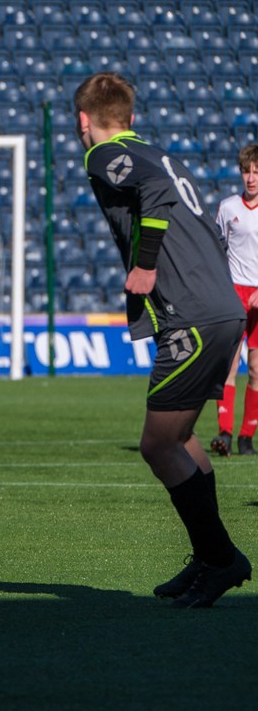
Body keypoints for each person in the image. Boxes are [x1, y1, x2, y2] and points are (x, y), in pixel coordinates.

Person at [75, 71, 251, 607]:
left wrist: (145, 267)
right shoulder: (155, 151)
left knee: (157, 444)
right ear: (131, 118)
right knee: (182, 438)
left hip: (192, 316)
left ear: (85, 121)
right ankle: (207, 557)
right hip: (217, 308)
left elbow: (152, 195)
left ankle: (222, 559)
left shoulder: (103, 155)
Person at [210, 143, 258, 457]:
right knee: (228, 366)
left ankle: (246, 437)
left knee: (256, 370)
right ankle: (224, 434)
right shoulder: (228, 208)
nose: (251, 178)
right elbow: (215, 250)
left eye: (256, 171)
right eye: (246, 171)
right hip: (233, 294)